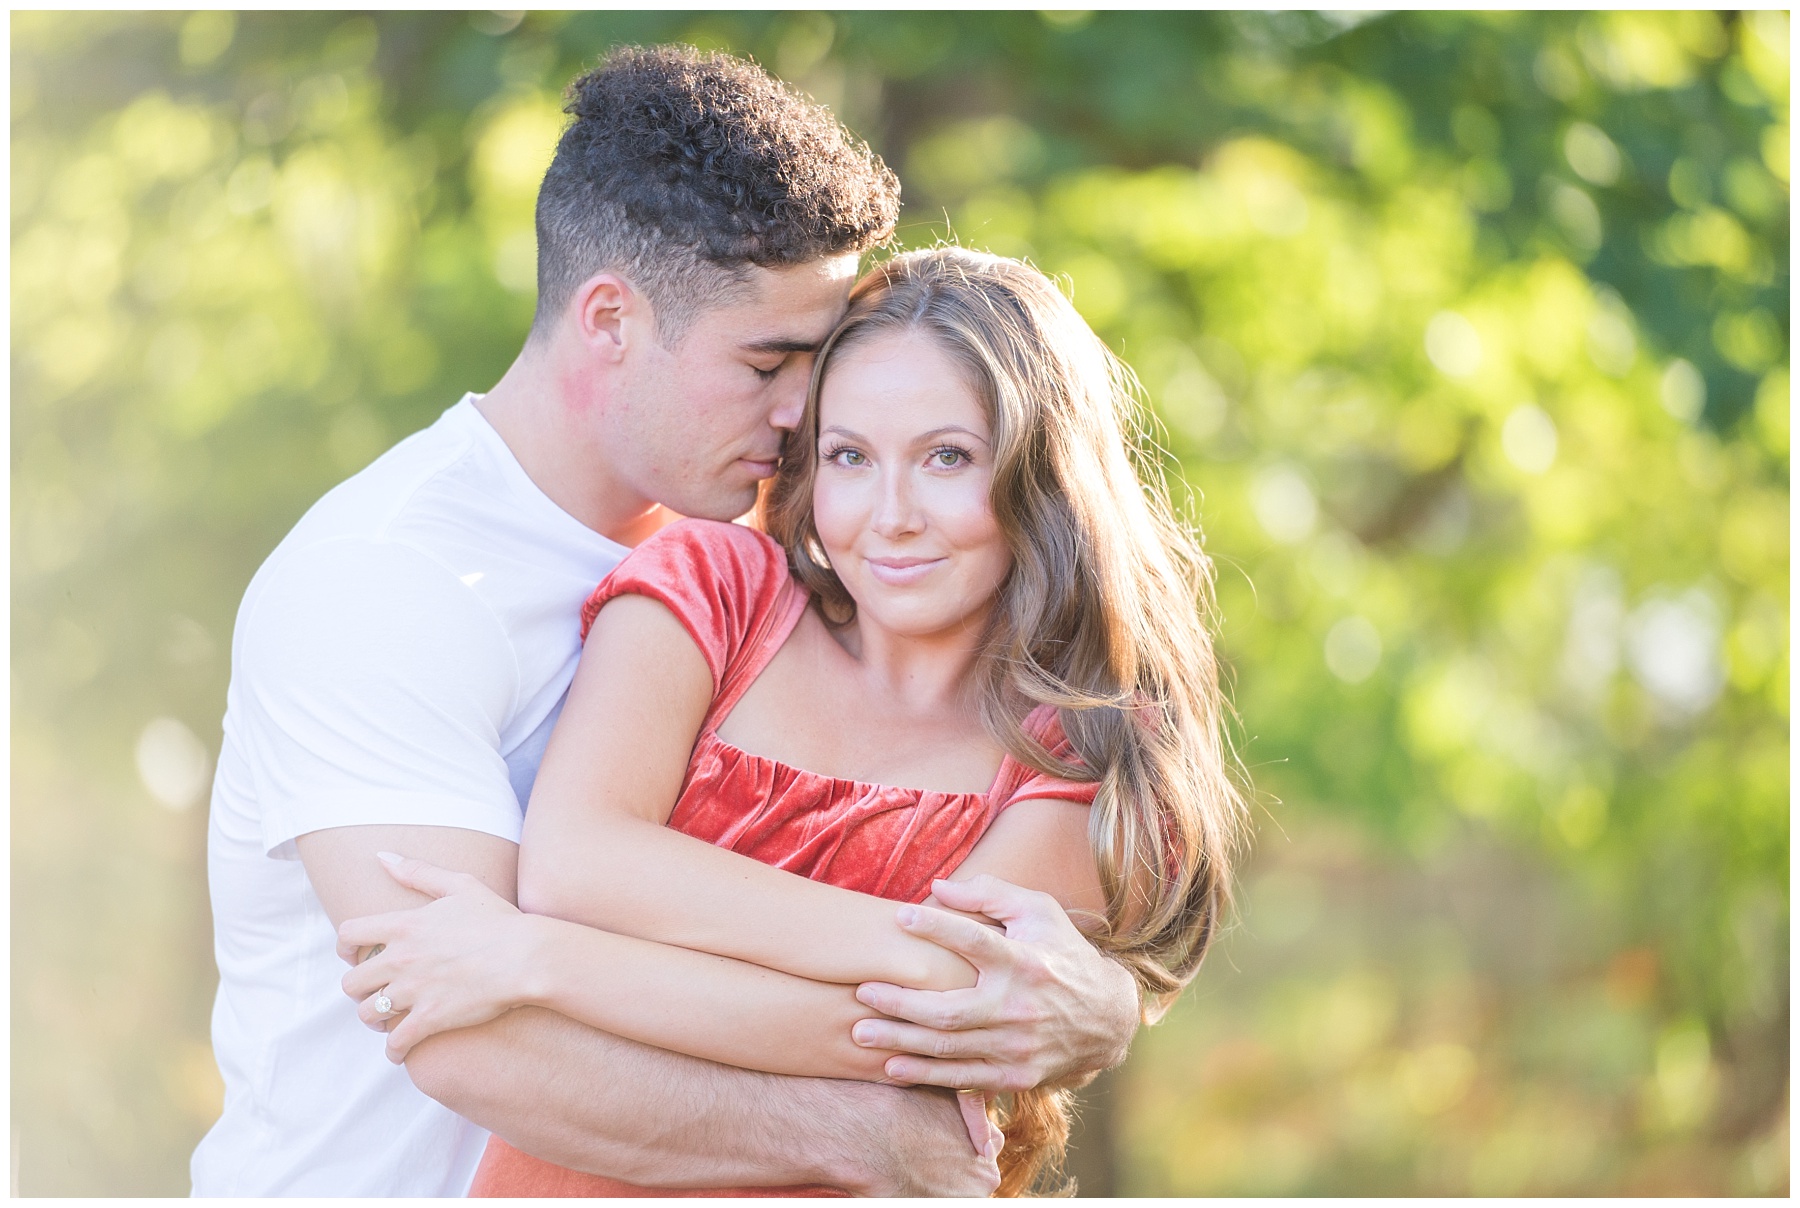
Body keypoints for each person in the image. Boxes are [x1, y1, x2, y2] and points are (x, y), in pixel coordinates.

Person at [192, 46, 1141, 1197]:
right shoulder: (387, 584)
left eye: (818, 362)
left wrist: (1093, 1002)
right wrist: (864, 1123)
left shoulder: (777, 558)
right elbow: (471, 1035)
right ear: (610, 319)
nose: (804, 412)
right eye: (767, 362)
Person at [335, 247, 1246, 1196]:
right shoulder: (718, 591)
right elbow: (576, 865)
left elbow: (950, 1013)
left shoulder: (1083, 742)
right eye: (851, 456)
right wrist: (909, 959)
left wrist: (537, 959)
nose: (891, 516)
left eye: (947, 457)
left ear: (1045, 475)